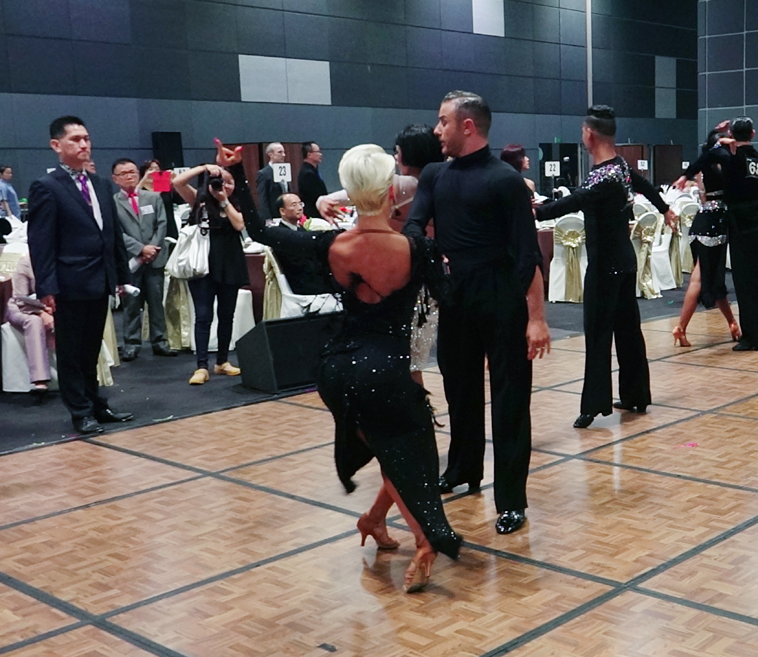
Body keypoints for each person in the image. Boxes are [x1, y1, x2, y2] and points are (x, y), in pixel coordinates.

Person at [239, 141, 462, 591]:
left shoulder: (332, 245)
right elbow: (448, 297)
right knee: (408, 454)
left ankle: (374, 521)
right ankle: (426, 540)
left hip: (339, 368)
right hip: (387, 369)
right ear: (390, 191)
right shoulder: (415, 249)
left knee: (392, 448)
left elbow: (260, 230)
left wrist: (239, 185)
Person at [404, 91, 550, 536]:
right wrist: (426, 253)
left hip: (501, 296)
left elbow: (527, 253)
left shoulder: (505, 180)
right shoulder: (435, 174)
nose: (436, 130)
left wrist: (537, 318)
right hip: (455, 296)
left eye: (443, 121)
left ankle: (511, 499)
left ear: (467, 126)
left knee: (510, 398)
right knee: (459, 388)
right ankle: (463, 468)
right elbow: (414, 224)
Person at [535, 105, 671, 428]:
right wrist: (665, 208)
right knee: (628, 331)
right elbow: (645, 185)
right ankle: (636, 394)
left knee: (598, 334)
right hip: (624, 262)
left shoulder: (602, 176)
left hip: (605, 266)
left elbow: (574, 202)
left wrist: (537, 212)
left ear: (589, 134)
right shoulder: (620, 167)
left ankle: (594, 405)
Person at [27, 116, 134, 434]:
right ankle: (81, 411)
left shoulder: (100, 184)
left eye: (86, 138)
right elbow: (41, 243)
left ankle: (96, 404)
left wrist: (121, 275)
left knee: (90, 349)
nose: (84, 144)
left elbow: (111, 234)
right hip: (69, 282)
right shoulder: (47, 187)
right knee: (71, 351)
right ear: (56, 145)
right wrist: (47, 287)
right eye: (75, 139)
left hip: (100, 279)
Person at [676, 118, 758, 351]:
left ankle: (752, 337)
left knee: (744, 283)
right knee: (757, 282)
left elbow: (705, 156)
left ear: (732, 134)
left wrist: (685, 175)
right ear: (753, 133)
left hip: (740, 224)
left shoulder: (730, 158)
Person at [172, 162, 249, 385]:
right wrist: (204, 167)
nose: (225, 186)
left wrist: (224, 200)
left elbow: (239, 225)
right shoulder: (199, 200)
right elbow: (177, 182)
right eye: (220, 181)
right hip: (203, 265)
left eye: (229, 182)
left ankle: (222, 361)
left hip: (231, 263)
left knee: (227, 315)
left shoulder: (236, 203)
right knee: (203, 316)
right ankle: (201, 366)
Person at [671, 125, 742, 348]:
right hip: (714, 223)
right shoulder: (720, 163)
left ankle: (732, 323)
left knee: (705, 277)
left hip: (703, 221)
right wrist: (721, 141)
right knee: (703, 278)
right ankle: (682, 327)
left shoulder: (711, 164)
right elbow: (710, 151)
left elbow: (707, 152)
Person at [111, 158, 173, 360]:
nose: (129, 176)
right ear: (115, 179)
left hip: (155, 257)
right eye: (124, 173)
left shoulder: (153, 197)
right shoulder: (112, 203)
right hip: (130, 261)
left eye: (132, 172)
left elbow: (162, 224)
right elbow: (116, 232)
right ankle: (131, 343)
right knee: (131, 304)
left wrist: (152, 249)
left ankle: (160, 341)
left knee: (156, 302)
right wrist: (140, 249)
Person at [6, 255, 55, 392]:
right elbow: (20, 298)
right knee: (34, 322)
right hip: (23, 308)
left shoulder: (62, 259)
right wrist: (42, 311)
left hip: (54, 307)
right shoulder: (26, 262)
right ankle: (40, 380)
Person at [257, 142, 288, 220]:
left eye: (284, 152)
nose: (283, 155)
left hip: (287, 213)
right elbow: (263, 198)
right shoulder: (264, 174)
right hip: (274, 215)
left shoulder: (285, 170)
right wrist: (268, 218)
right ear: (271, 154)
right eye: (280, 152)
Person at [298, 141, 327, 219]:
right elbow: (315, 197)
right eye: (318, 152)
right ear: (309, 155)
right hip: (313, 214)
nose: (321, 154)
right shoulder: (308, 173)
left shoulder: (313, 170)